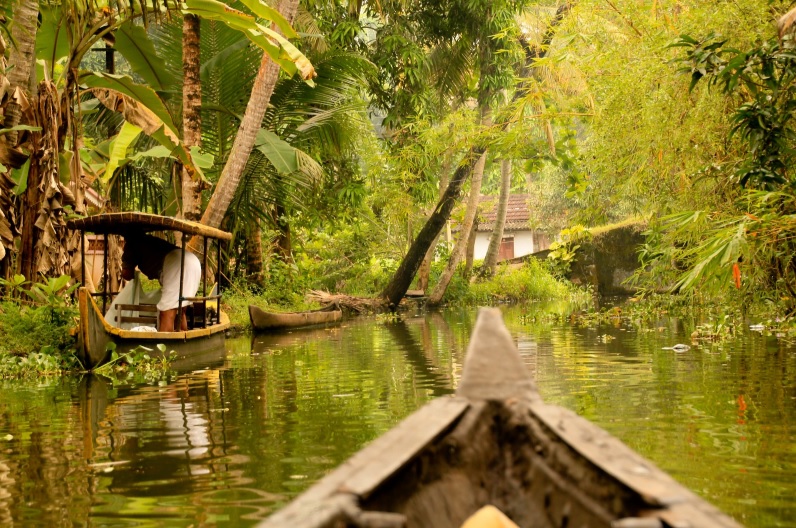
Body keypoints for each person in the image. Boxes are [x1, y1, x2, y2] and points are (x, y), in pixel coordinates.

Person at [120, 234, 201, 332]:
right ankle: (182, 341)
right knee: (180, 310)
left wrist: (126, 265)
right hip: (192, 261)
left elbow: (127, 274)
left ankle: (165, 345)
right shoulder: (150, 239)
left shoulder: (132, 244)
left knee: (166, 313)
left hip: (177, 264)